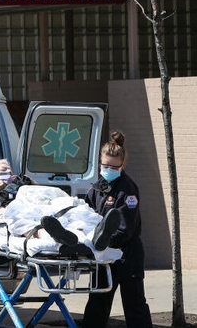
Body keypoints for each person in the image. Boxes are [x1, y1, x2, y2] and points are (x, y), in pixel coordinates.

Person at [81, 130, 153, 328]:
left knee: (134, 304)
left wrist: (103, 241)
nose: (108, 169)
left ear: (123, 165)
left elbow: (124, 229)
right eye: (105, 165)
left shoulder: (127, 189)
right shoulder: (96, 188)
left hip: (126, 255)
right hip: (103, 256)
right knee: (97, 303)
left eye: (113, 167)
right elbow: (87, 215)